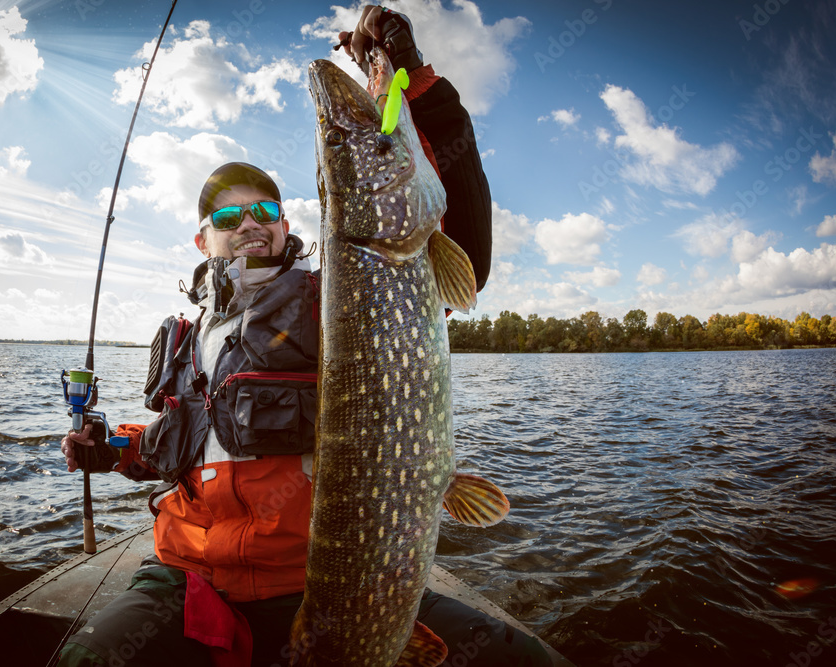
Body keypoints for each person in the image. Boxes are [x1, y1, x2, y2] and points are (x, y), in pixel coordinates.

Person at [58, 6, 549, 666]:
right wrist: (109, 449)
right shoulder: (181, 337)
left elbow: (462, 241)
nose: (250, 223)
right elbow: (177, 447)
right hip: (187, 581)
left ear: (287, 227)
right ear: (203, 238)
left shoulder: (341, 297)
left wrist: (415, 83)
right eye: (229, 214)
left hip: (325, 582)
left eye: (265, 210)